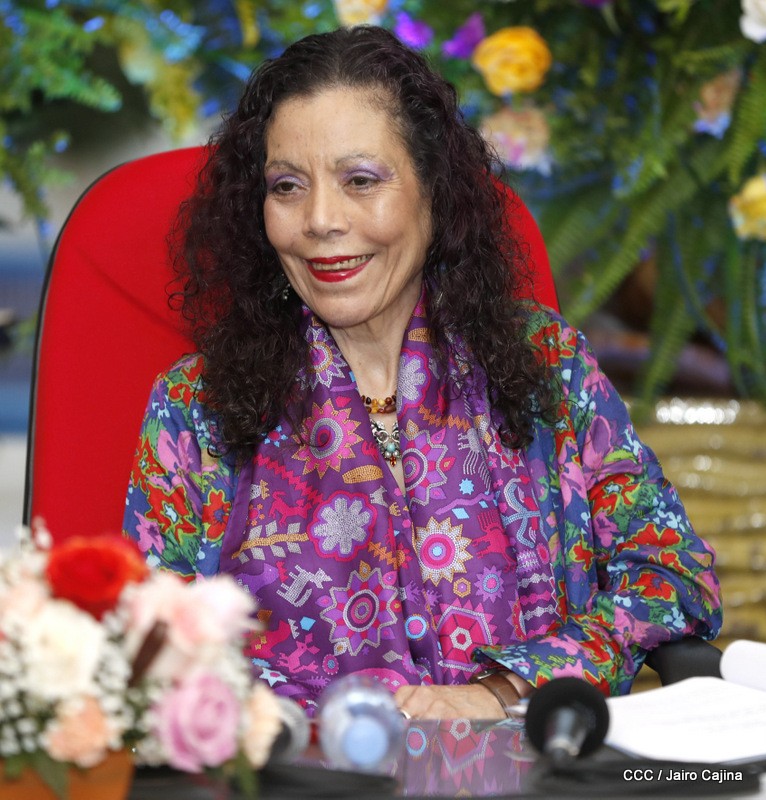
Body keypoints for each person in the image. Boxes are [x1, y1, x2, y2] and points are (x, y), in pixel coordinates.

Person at [123, 25, 721, 720]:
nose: (320, 220)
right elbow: (147, 652)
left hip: (527, 760)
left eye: (360, 181)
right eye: (286, 186)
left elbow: (672, 576)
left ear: (433, 192)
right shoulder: (195, 407)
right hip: (296, 768)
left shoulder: (545, 364)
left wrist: (504, 692)